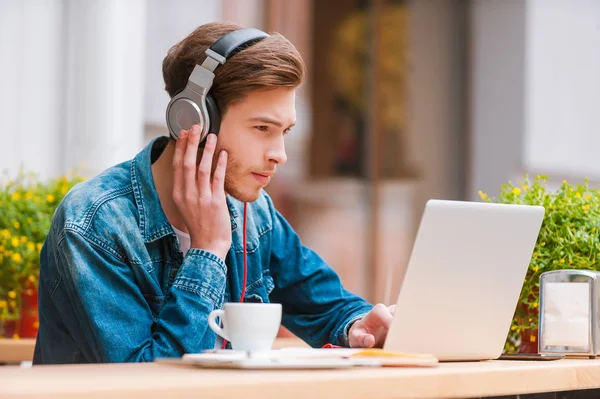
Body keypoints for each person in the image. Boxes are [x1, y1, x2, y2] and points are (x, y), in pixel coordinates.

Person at [33, 22, 394, 364]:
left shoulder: (254, 213)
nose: (279, 155)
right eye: (262, 127)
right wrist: (207, 252)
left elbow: (326, 305)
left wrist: (356, 326)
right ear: (195, 122)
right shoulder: (94, 227)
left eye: (283, 131)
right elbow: (146, 382)